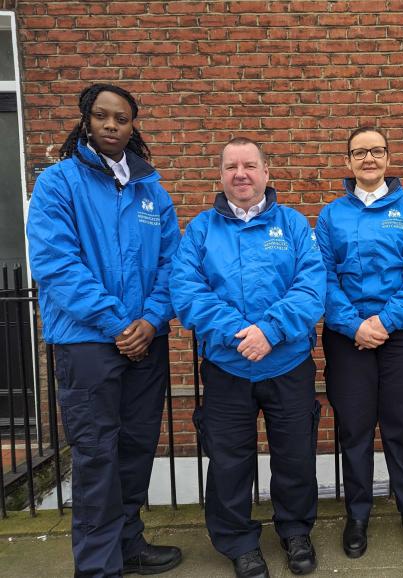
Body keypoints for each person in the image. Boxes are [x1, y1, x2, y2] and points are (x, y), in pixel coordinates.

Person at [26, 83, 182, 577]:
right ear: (85, 121)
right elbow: (55, 263)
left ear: (134, 125)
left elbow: (172, 266)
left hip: (146, 342)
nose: (111, 125)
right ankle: (97, 566)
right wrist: (120, 323)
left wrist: (152, 319)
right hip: (88, 343)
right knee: (97, 455)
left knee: (136, 448)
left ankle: (128, 542)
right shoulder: (58, 184)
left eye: (121, 118)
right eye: (101, 116)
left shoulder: (151, 190)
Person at [171, 137, 325, 578]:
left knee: (295, 457)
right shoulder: (201, 230)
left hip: (288, 363)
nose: (241, 174)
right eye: (231, 166)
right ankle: (239, 543)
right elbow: (186, 291)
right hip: (226, 367)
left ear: (266, 173)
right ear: (220, 175)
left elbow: (312, 288)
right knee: (228, 461)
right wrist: (242, 335)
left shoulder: (294, 226)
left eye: (250, 165)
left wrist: (270, 331)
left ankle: (295, 532)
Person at [314, 126, 403, 558]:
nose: (369, 158)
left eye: (377, 151)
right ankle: (358, 514)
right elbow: (324, 278)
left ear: (388, 158)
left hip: (402, 334)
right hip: (349, 338)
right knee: (355, 429)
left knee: (402, 427)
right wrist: (354, 325)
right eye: (359, 152)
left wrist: (383, 322)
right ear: (347, 162)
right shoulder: (330, 216)